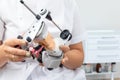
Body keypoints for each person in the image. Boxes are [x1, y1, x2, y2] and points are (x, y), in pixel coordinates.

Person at [0, 0, 87, 80]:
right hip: (15, 75)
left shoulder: (68, 3)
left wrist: (60, 56)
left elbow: (78, 55)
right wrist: (5, 53)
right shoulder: (4, 3)